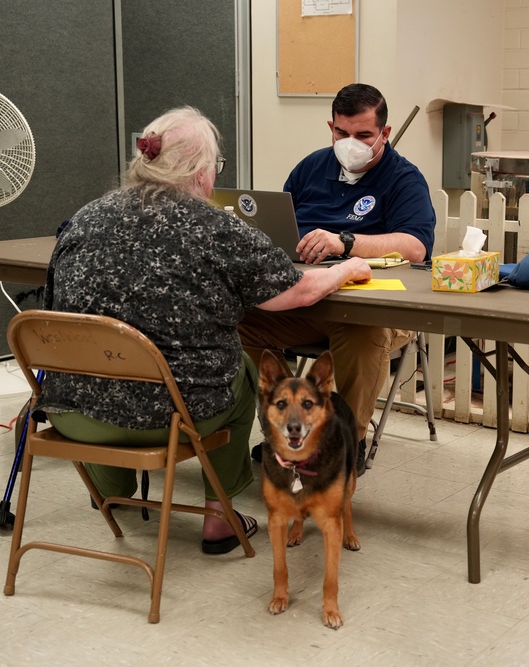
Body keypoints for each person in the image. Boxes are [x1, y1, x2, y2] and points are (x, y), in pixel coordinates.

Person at [38, 106, 371, 555]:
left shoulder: (82, 219)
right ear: (200, 172)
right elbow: (296, 291)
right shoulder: (217, 227)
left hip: (74, 415)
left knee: (101, 371)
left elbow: (52, 307)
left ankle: (111, 495)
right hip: (175, 418)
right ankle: (218, 519)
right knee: (244, 371)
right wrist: (348, 267)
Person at [239, 83, 436, 476]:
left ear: (385, 132)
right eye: (341, 134)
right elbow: (280, 227)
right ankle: (286, 432)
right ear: (330, 127)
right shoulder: (311, 168)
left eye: (363, 135)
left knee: (363, 335)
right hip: (305, 300)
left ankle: (344, 442)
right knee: (238, 321)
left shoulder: (403, 179)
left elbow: (416, 247)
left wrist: (346, 242)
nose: (351, 143)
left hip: (371, 309)